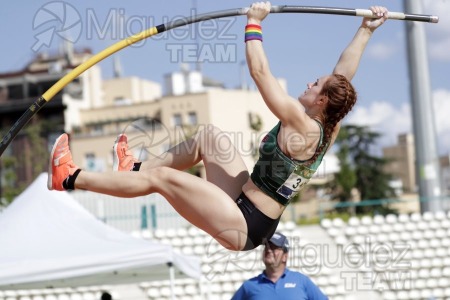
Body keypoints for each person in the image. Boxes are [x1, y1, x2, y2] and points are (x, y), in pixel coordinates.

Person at [48, 2, 388, 251]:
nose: (310, 83)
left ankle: (70, 177)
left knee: (162, 180)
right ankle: (134, 166)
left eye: (316, 84)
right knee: (208, 137)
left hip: (245, 226)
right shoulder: (331, 122)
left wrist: (254, 23)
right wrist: (365, 31)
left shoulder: (302, 124)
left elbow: (260, 74)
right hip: (243, 198)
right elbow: (344, 73)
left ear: (322, 101)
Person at [231, 232, 327, 299]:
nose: (268, 250)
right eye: (266, 247)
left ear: (285, 256)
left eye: (274, 248)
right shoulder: (249, 286)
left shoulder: (301, 281)